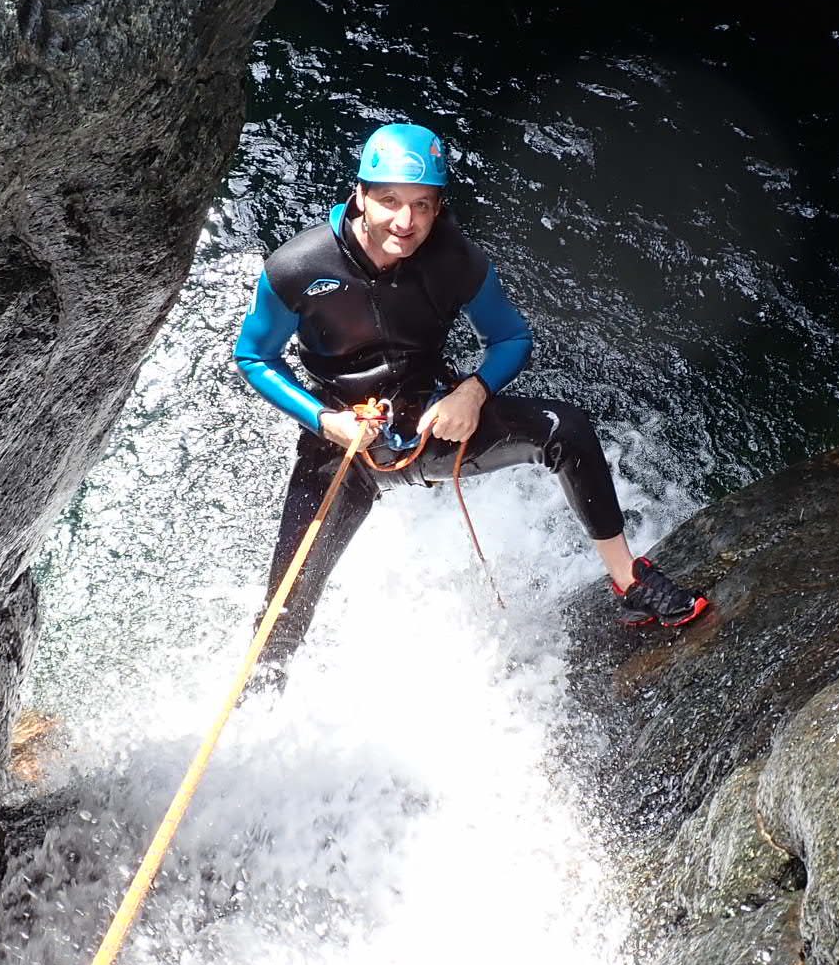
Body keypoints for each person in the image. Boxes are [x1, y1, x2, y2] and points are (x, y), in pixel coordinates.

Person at [233, 122, 713, 679]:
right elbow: (254, 357)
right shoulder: (298, 268)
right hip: (343, 444)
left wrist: (473, 391)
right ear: (359, 195)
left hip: (434, 421)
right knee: (281, 614)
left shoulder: (453, 259)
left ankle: (629, 580)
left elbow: (511, 337)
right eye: (388, 200)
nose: (404, 221)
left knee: (567, 430)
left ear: (439, 208)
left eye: (421, 205)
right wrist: (326, 421)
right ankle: (254, 715)